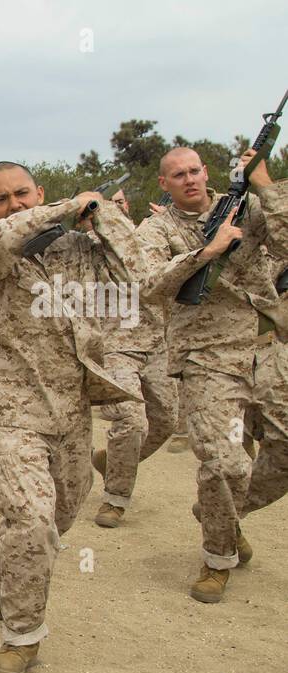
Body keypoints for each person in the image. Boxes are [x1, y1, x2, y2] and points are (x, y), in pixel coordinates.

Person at [0, 162, 142, 673]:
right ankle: (21, 635)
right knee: (31, 518)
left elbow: (135, 279)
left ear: (40, 192)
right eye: (0, 199)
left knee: (62, 510)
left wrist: (101, 215)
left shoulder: (77, 249)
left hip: (73, 406)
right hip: (14, 410)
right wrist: (64, 208)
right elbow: (7, 236)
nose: (14, 205)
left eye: (22, 194)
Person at [136, 147, 288, 602]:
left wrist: (263, 183)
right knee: (223, 462)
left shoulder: (247, 208)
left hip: (266, 348)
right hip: (207, 358)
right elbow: (149, 285)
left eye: (195, 171)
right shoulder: (157, 228)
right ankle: (218, 557)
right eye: (178, 175)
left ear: (208, 173)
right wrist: (208, 251)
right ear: (164, 184)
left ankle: (218, 511)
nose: (189, 180)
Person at [91, 189, 176, 528]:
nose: (119, 205)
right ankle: (116, 497)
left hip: (157, 341)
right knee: (131, 419)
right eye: (112, 201)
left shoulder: (151, 236)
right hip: (117, 343)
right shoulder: (93, 246)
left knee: (166, 420)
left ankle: (112, 460)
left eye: (123, 201)